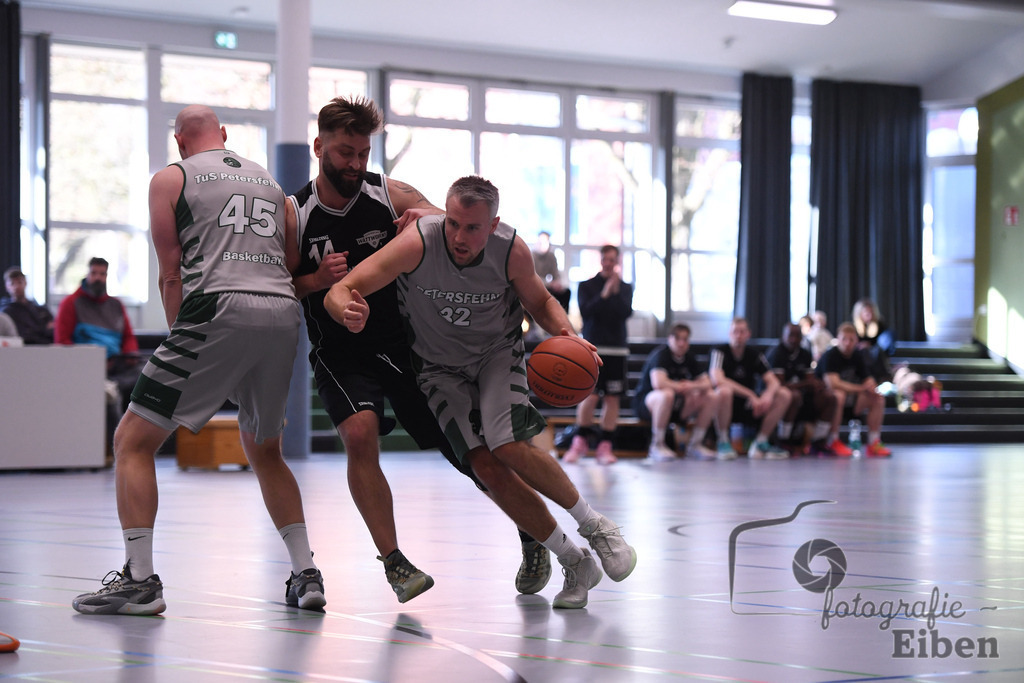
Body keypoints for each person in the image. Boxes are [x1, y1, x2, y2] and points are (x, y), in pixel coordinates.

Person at [324, 175, 638, 609]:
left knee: (507, 445)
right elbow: (340, 290)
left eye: (472, 227)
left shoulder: (511, 250)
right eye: (452, 223)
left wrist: (568, 333)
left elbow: (541, 301)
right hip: (437, 368)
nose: (458, 235)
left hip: (496, 354)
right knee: (485, 466)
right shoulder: (419, 242)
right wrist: (347, 309)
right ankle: (574, 560)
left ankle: (596, 526)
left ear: (492, 226)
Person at [288, 95, 548, 603]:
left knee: (471, 451)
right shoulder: (295, 214)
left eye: (363, 153)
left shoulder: (387, 192)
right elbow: (283, 285)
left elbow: (451, 219)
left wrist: (422, 216)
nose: (356, 164)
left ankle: (532, 533)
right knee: (360, 434)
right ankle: (394, 561)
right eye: (345, 153)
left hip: (408, 345)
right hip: (341, 351)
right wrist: (317, 280)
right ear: (319, 146)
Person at [72, 105, 325, 615]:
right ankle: (306, 573)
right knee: (264, 448)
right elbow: (291, 262)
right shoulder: (274, 186)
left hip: (217, 306)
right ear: (225, 137)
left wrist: (180, 337)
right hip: (281, 313)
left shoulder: (172, 177)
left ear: (180, 140)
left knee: (132, 440)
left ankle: (139, 580)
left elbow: (171, 271)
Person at [563, 244, 634, 465]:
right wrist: (604, 294)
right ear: (601, 260)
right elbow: (587, 312)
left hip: (617, 348)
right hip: (593, 348)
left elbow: (625, 312)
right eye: (606, 259)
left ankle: (605, 445)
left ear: (618, 261)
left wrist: (613, 294)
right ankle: (580, 440)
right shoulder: (586, 286)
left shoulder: (624, 288)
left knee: (612, 398)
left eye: (613, 260)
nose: (609, 263)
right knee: (589, 395)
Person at [632, 323, 721, 461]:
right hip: (648, 405)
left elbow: (708, 383)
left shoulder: (690, 358)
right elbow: (658, 383)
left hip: (676, 407)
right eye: (678, 338)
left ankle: (695, 445)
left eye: (685, 339)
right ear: (669, 339)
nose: (681, 343)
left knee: (711, 396)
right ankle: (657, 444)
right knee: (666, 394)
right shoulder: (661, 355)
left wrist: (692, 386)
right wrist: (679, 386)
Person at [709, 317, 792, 459]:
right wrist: (750, 394)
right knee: (724, 391)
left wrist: (767, 395)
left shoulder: (754, 355)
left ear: (748, 334)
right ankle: (723, 441)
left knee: (784, 393)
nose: (738, 335)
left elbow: (774, 382)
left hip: (750, 406)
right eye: (735, 331)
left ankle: (761, 442)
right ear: (729, 333)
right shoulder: (719, 352)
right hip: (725, 405)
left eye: (742, 332)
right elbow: (718, 380)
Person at [815, 322, 892, 457]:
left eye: (851, 339)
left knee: (877, 398)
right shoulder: (830, 356)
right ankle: (832, 441)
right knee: (839, 395)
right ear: (838, 339)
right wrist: (861, 388)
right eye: (844, 339)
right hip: (826, 403)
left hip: (851, 400)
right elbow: (833, 384)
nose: (847, 343)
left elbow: (867, 379)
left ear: (856, 340)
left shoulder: (857, 356)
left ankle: (874, 442)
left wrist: (872, 389)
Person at [766, 322, 839, 456]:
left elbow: (810, 379)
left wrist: (817, 385)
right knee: (793, 395)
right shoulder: (776, 353)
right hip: (779, 399)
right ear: (783, 336)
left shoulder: (805, 353)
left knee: (830, 397)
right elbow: (779, 384)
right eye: (790, 335)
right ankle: (783, 440)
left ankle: (818, 441)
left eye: (797, 336)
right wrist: (806, 383)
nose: (794, 339)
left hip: (804, 396)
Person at [2, 266, 55, 344]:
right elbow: (22, 336)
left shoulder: (40, 309)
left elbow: (53, 330)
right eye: (12, 283)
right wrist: (43, 330)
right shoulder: (6, 312)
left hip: (47, 348)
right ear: (6, 287)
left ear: (25, 283)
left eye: (20, 282)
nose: (16, 287)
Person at [852, 297, 895, 380]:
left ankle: (883, 376)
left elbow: (882, 343)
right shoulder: (854, 326)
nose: (870, 315)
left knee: (877, 351)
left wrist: (870, 345)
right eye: (866, 312)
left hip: (875, 352)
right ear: (860, 313)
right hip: (860, 353)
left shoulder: (879, 324)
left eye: (871, 312)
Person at [532, 231, 570, 312]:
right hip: (535, 288)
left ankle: (563, 318)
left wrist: (558, 283)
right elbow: (533, 277)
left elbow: (556, 273)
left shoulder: (551, 256)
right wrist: (550, 284)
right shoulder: (531, 256)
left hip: (547, 287)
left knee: (566, 292)